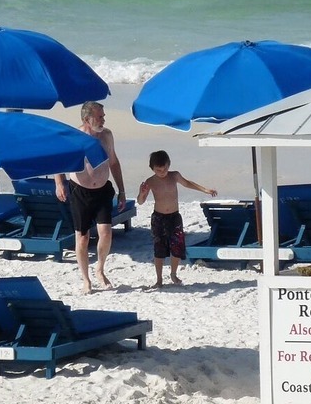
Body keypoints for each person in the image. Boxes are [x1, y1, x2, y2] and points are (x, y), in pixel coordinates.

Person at [54, 101, 126, 293]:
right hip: (80, 191)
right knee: (83, 238)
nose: (103, 119)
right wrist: (59, 184)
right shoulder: (75, 138)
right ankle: (86, 279)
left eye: (103, 116)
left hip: (102, 190)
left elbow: (114, 163)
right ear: (87, 119)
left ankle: (100, 269)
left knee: (106, 232)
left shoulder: (107, 136)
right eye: (99, 116)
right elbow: (59, 162)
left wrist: (122, 190)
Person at [136, 150, 217, 288]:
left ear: (169, 165)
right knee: (159, 249)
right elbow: (140, 202)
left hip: (174, 216)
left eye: (165, 168)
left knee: (177, 247)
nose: (162, 172)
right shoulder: (150, 181)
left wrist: (205, 190)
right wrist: (142, 193)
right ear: (152, 169)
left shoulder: (174, 176)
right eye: (158, 170)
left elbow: (187, 183)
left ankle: (173, 273)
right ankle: (159, 279)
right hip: (158, 218)